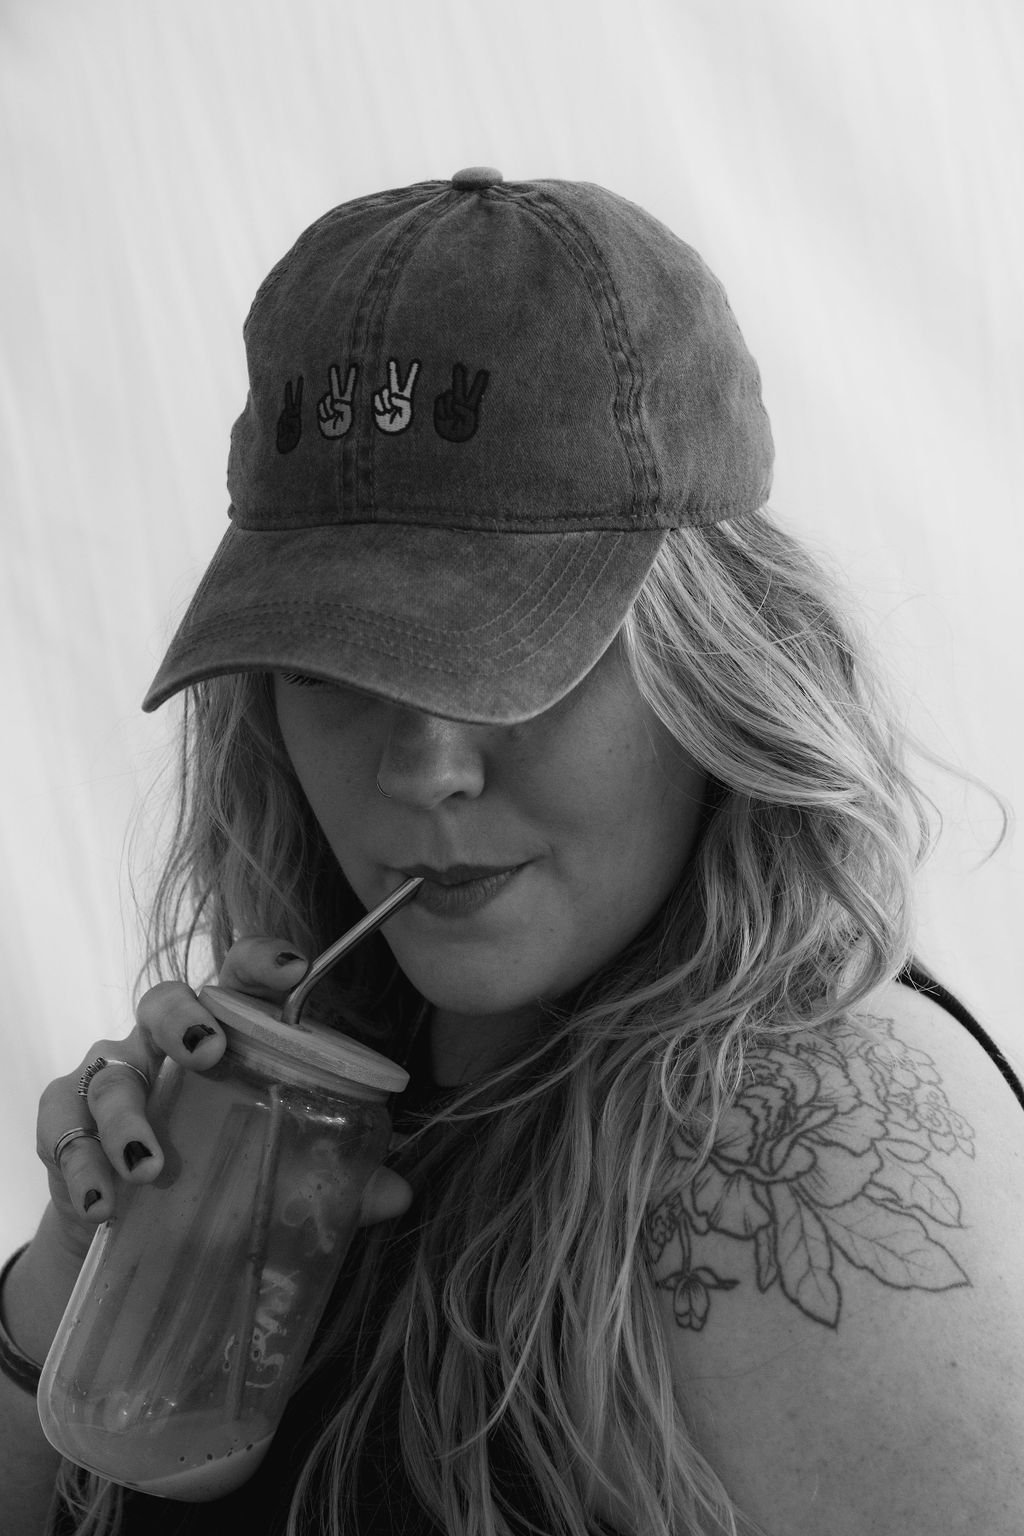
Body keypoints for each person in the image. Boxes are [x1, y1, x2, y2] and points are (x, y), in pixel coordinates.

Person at [2, 166, 1021, 1536]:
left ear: (720, 663)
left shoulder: (811, 1143)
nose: (425, 769)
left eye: (527, 659)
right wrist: (70, 1297)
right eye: (336, 666)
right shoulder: (334, 1067)